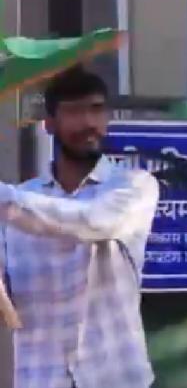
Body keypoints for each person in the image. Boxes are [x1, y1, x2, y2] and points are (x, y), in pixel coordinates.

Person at [0, 66, 159, 388]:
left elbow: (93, 222)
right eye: (74, 112)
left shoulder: (134, 186)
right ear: (49, 123)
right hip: (41, 376)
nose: (88, 123)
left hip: (114, 377)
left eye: (96, 110)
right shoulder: (19, 202)